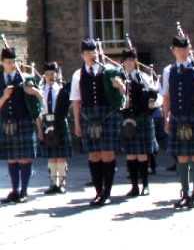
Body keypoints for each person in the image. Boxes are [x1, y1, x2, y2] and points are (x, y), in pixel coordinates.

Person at [70, 38, 126, 206]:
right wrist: (78, 124)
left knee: (107, 153)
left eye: (93, 52)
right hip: (88, 117)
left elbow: (123, 91)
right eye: (87, 53)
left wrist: (119, 86)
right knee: (94, 155)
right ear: (82, 55)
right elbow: (76, 101)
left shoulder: (109, 70)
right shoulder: (77, 75)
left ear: (98, 53)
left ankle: (107, 193)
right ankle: (98, 192)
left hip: (107, 115)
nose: (90, 56)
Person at [162, 34, 194, 209]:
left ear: (189, 49)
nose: (182, 52)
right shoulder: (168, 71)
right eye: (179, 49)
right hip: (177, 117)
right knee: (182, 156)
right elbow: (166, 97)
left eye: (185, 49)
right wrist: (166, 118)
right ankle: (185, 193)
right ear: (173, 50)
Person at [0, 46, 43, 203]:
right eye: (8, 62)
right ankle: (14, 190)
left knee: (24, 158)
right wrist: (4, 97)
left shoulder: (25, 78)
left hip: (24, 121)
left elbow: (40, 99)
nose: (11, 64)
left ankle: (24, 191)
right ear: (2, 62)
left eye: (13, 61)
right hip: (7, 123)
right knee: (11, 159)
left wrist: (34, 92)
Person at [121, 48, 158, 197]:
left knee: (142, 154)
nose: (129, 63)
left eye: (131, 60)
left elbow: (154, 95)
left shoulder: (143, 77)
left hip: (142, 117)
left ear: (135, 61)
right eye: (126, 60)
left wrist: (150, 103)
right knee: (130, 154)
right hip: (127, 119)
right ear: (123, 62)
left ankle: (146, 185)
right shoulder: (119, 77)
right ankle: (134, 186)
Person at [39, 62, 72, 194]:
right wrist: (41, 129)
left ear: (57, 74)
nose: (50, 76)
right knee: (51, 156)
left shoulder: (62, 89)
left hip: (60, 122)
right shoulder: (41, 90)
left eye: (53, 74)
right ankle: (53, 183)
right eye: (47, 74)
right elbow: (39, 111)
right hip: (47, 122)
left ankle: (62, 184)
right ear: (44, 76)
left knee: (61, 155)